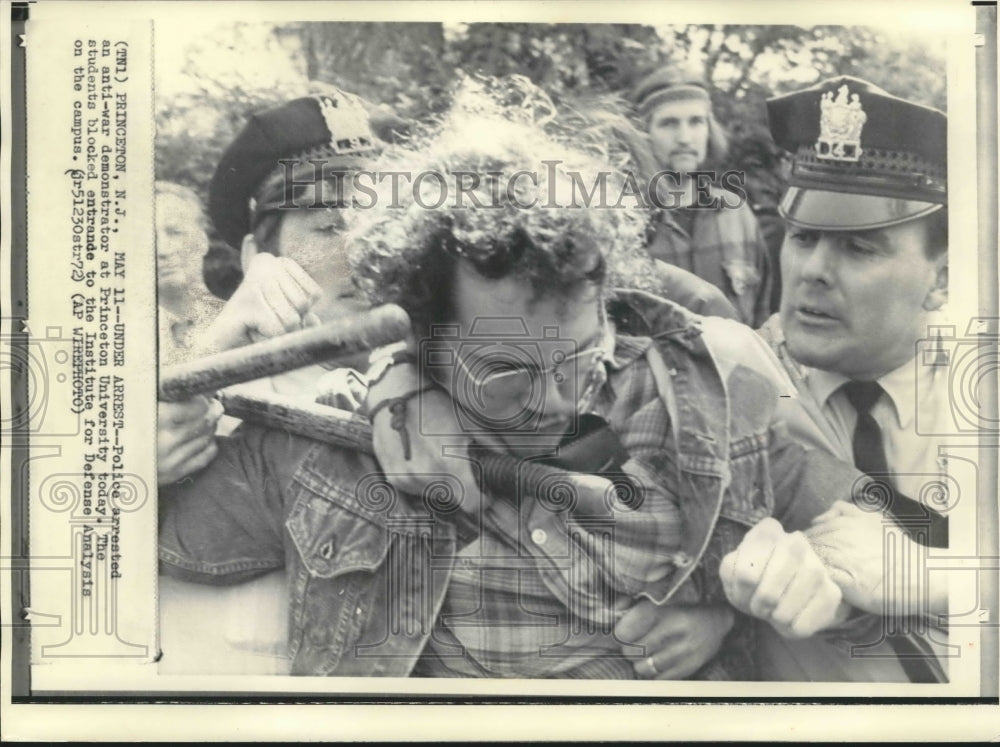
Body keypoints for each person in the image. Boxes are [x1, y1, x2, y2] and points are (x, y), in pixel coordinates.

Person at [157, 97, 905, 679]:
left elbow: (914, 526)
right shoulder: (321, 452)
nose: (557, 400)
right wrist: (154, 421)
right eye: (506, 372)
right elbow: (103, 558)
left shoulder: (705, 398)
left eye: (581, 355)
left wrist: (819, 580)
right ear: (421, 334)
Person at [753, 76, 952, 681]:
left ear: (941, 278)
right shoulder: (742, 377)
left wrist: (936, 577)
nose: (813, 271)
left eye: (859, 248)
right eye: (803, 237)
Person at [630, 69, 774, 327]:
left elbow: (762, 317)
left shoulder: (737, 213)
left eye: (696, 121)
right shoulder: (626, 222)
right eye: (669, 123)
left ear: (709, 130)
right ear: (643, 134)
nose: (685, 138)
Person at [155, 181, 224, 366]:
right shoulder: (124, 335)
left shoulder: (237, 321)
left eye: (175, 232)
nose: (162, 250)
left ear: (202, 242)